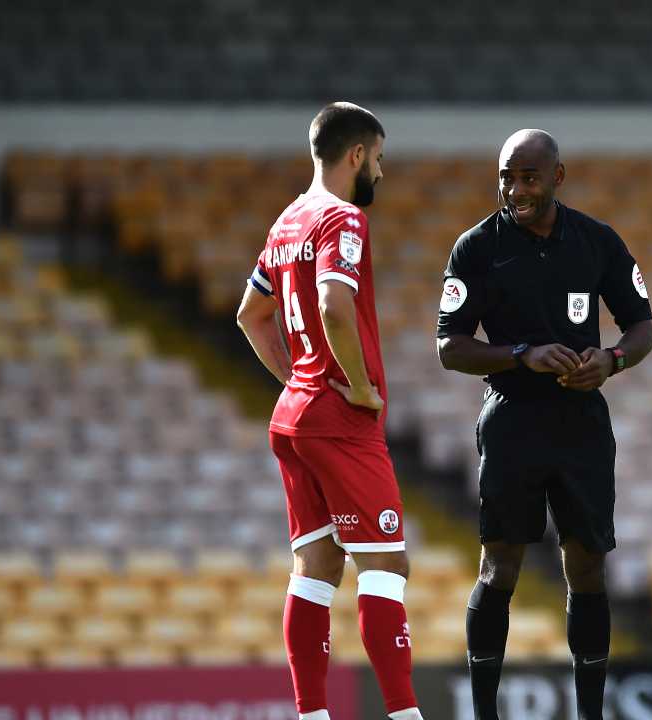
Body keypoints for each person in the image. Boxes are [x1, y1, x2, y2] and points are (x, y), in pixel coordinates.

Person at [435, 129, 652, 720]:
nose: (515, 189)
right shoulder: (477, 248)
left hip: (581, 423)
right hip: (511, 421)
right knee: (499, 566)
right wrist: (520, 354)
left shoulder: (596, 241)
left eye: (528, 177)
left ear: (557, 177)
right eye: (506, 176)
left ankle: (590, 714)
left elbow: (642, 326)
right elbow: (449, 347)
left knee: (585, 565)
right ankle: (484, 713)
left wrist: (610, 361)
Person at [236, 102, 421, 720]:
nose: (382, 173)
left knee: (317, 565)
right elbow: (335, 308)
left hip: (295, 414)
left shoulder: (287, 220)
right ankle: (403, 713)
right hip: (340, 419)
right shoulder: (341, 219)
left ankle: (311, 713)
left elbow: (250, 316)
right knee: (387, 562)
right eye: (380, 159)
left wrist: (299, 379)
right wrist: (361, 387)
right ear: (357, 155)